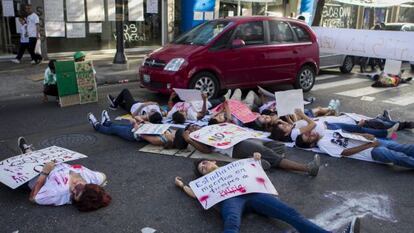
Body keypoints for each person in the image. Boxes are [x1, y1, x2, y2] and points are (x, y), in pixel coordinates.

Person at [174, 152, 360, 233]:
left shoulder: (234, 166)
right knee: (231, 224)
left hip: (254, 195)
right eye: (201, 167)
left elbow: (257, 169)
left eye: (205, 162)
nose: (205, 166)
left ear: (215, 162)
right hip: (231, 200)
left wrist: (256, 159)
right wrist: (182, 185)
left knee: (291, 214)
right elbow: (195, 193)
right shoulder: (204, 182)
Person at [174, 124, 321, 176]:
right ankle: (307, 168)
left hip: (242, 139)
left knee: (277, 145)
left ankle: (261, 163)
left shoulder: (207, 128)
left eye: (194, 126)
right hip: (237, 147)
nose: (194, 127)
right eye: (191, 129)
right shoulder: (199, 138)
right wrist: (189, 140)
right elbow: (206, 150)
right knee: (272, 156)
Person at [16, 137, 111, 211]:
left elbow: (33, 198)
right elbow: (103, 176)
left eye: (74, 195)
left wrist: (44, 173)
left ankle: (27, 156)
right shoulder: (92, 178)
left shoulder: (58, 193)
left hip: (30, 176)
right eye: (79, 188)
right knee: (38, 158)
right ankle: (29, 153)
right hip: (51, 162)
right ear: (90, 185)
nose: (73, 190)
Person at [295, 130, 414, 169]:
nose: (310, 133)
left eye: (307, 133)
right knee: (399, 157)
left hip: (371, 142)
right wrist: (368, 146)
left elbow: (347, 133)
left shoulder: (326, 132)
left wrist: (364, 135)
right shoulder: (322, 144)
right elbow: (345, 153)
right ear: (311, 145)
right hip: (371, 152)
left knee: (404, 148)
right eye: (308, 137)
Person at [270, 109, 399, 143]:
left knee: (358, 129)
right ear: (285, 134)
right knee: (359, 132)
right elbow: (312, 124)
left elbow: (295, 125)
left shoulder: (291, 130)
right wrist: (302, 115)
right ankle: (388, 135)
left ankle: (389, 134)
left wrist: (286, 119)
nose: (284, 125)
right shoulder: (293, 134)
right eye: (283, 127)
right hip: (328, 128)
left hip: (327, 125)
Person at [87, 110, 177, 148]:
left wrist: (136, 125)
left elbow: (144, 136)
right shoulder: (169, 133)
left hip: (133, 134)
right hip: (138, 128)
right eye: (175, 133)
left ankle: (97, 126)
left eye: (174, 135)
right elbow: (153, 126)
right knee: (118, 126)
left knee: (114, 129)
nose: (173, 133)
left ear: (173, 140)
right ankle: (106, 122)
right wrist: (141, 122)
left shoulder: (161, 140)